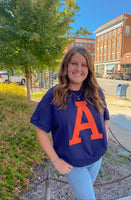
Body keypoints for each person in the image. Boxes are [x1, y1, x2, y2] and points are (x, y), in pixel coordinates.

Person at [30, 46, 109, 200]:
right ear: (66, 66)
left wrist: (104, 136)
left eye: (84, 65)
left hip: (96, 158)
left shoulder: (96, 92)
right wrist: (56, 160)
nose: (79, 68)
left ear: (89, 69)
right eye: (74, 63)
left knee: (81, 196)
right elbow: (41, 131)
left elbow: (105, 116)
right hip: (73, 162)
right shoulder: (54, 95)